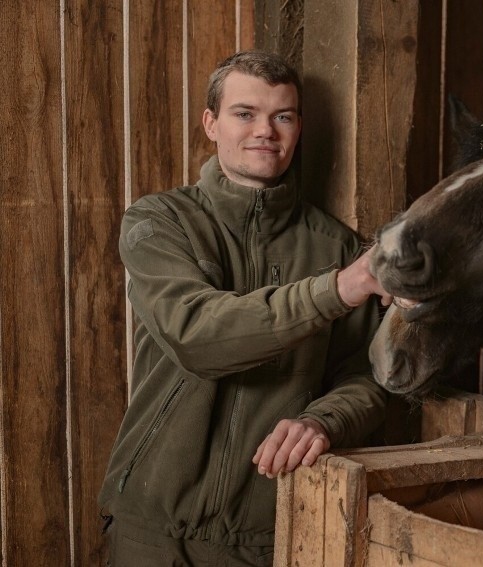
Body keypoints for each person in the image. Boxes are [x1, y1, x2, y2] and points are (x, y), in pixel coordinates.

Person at [99, 50, 392, 566]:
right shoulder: (160, 221)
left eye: (283, 116)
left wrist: (324, 421)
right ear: (211, 123)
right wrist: (337, 291)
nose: (266, 131)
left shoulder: (338, 249)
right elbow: (197, 335)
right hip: (152, 528)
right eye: (245, 113)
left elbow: (366, 378)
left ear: (298, 128)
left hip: (267, 533)